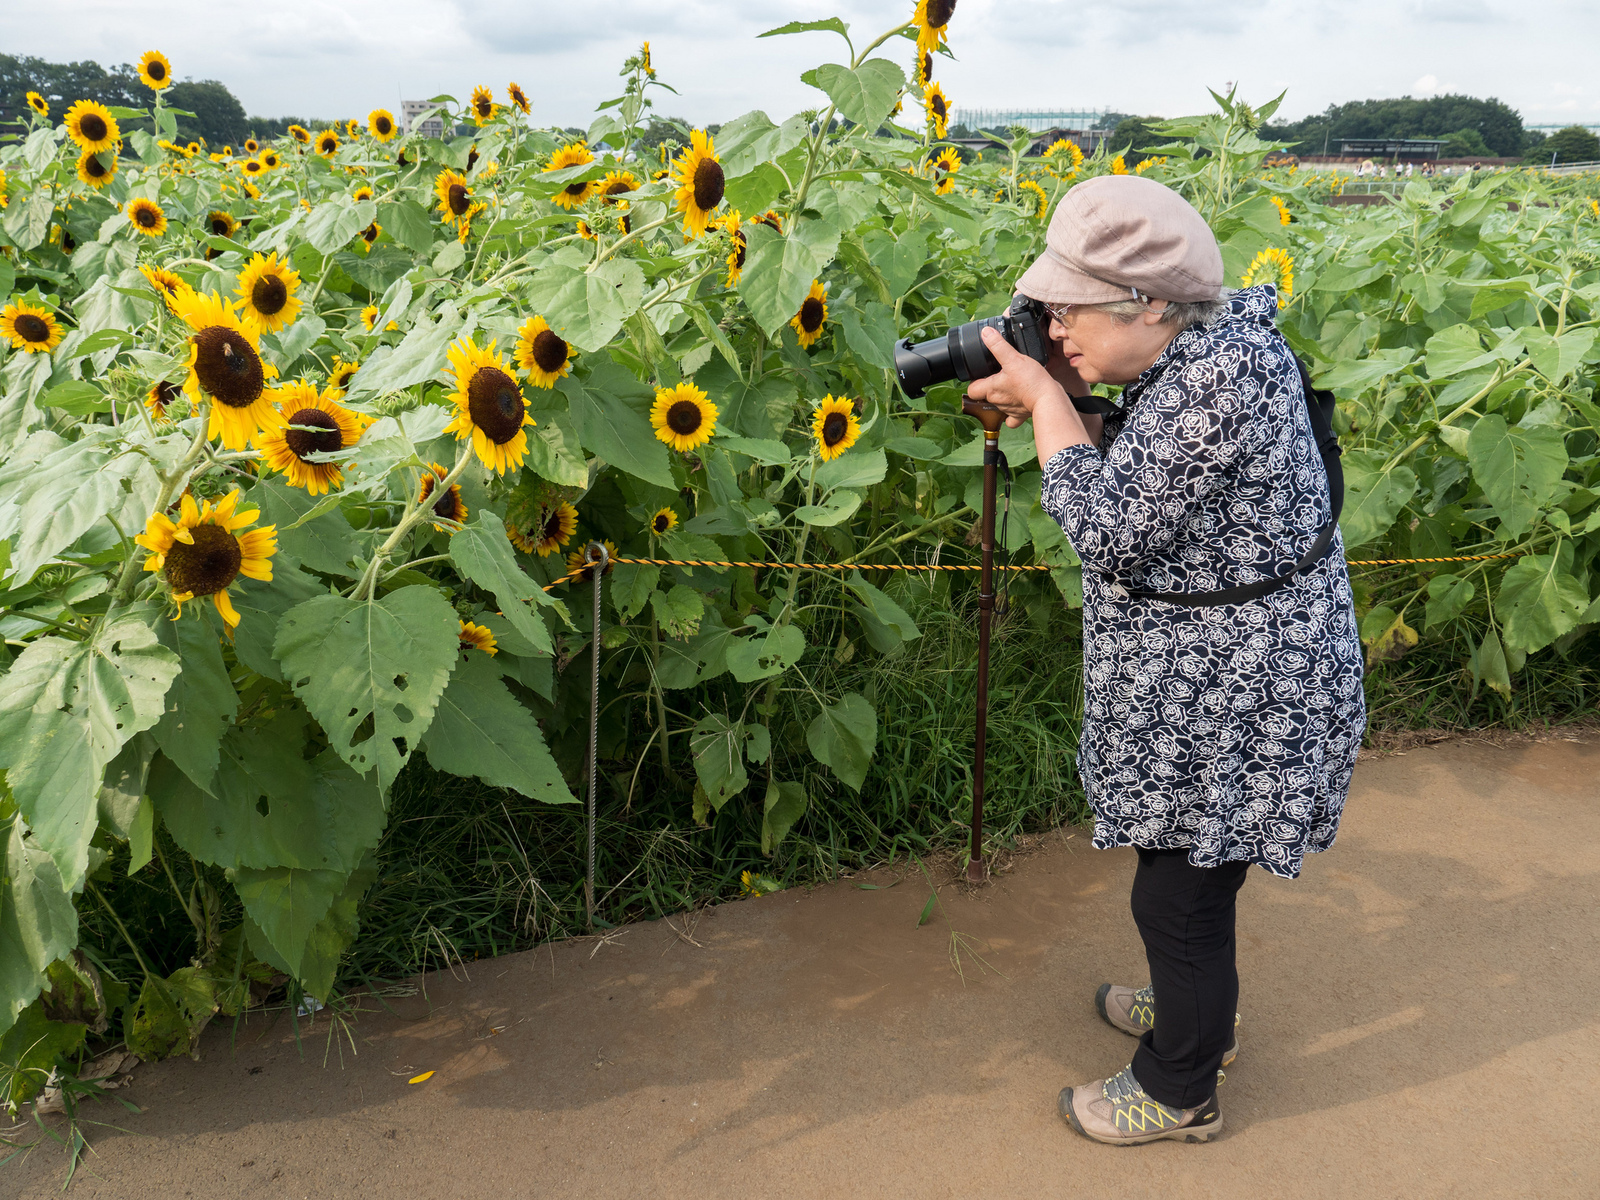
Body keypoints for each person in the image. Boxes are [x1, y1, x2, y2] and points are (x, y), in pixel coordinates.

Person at [966, 175, 1366, 1146]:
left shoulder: (1220, 378)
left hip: (1241, 692)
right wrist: (1067, 404)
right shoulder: (1211, 345)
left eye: (1070, 311)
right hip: (1218, 674)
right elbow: (1164, 464)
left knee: (1180, 894)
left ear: (1148, 303)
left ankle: (1180, 1082)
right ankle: (1196, 1009)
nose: (1054, 329)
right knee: (1187, 868)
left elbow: (1108, 529)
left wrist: (1045, 403)